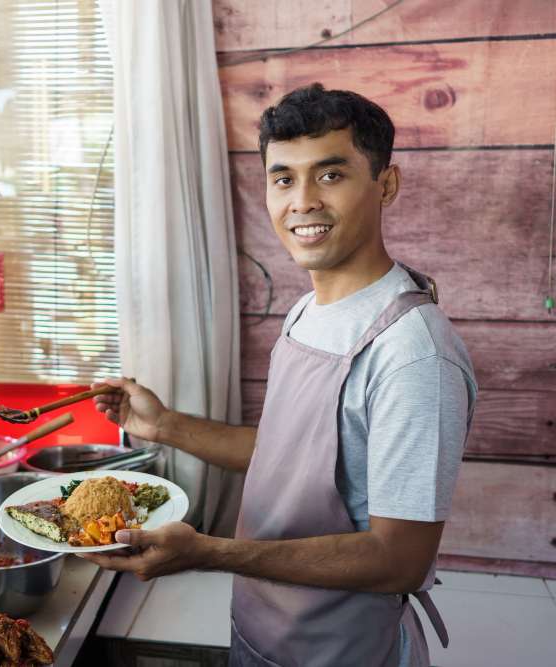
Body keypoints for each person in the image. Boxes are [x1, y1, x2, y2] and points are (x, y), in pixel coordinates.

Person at [82, 83, 477, 666]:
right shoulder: (305, 312)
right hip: (262, 628)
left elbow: (400, 560)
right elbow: (292, 459)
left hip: (341, 647)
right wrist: (163, 425)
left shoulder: (413, 354)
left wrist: (209, 553)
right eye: (283, 178)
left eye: (331, 175)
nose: (302, 201)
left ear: (384, 185)